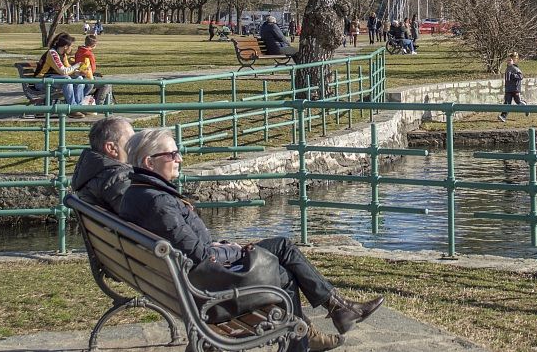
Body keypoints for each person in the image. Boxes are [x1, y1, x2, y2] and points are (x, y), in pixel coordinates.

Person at [120, 129, 382, 351]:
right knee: (282, 273)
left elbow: (188, 246)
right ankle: (312, 332)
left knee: (283, 247)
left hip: (183, 280)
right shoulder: (158, 202)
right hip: (206, 287)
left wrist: (222, 247)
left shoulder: (142, 193)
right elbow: (200, 255)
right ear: (148, 162)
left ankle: (336, 310)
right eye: (172, 154)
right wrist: (232, 252)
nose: (180, 158)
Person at [71, 117, 134, 213]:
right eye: (132, 140)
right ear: (111, 148)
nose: (137, 144)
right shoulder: (118, 179)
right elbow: (142, 218)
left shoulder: (91, 173)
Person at [33, 33, 91, 118]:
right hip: (41, 81)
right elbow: (64, 72)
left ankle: (79, 106)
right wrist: (77, 65)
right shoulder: (52, 53)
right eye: (71, 46)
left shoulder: (63, 55)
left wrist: (79, 72)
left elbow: (69, 70)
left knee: (79, 78)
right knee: (66, 79)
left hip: (54, 80)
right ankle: (72, 109)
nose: (72, 48)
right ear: (65, 46)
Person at [75, 34, 113, 105]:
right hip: (87, 76)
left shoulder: (78, 51)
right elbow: (93, 68)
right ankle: (100, 104)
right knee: (106, 83)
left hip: (79, 74)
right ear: (94, 45)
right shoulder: (89, 54)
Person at [498, 52, 526, 121]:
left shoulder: (515, 69)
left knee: (518, 102)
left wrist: (514, 76)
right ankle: (503, 116)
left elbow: (521, 76)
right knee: (507, 102)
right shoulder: (507, 69)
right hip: (508, 89)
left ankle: (526, 107)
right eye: (507, 60)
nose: (508, 61)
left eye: (510, 60)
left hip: (515, 89)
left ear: (513, 61)